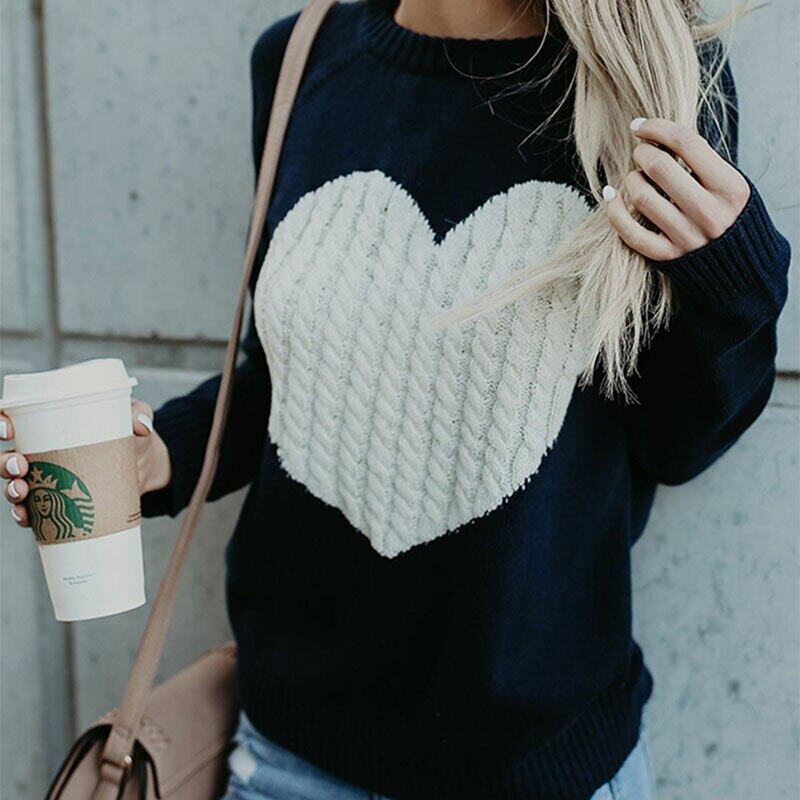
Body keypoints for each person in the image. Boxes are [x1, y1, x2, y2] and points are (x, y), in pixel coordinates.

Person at [2, 1, 790, 798]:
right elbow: (294, 379)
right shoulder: (301, 59)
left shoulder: (651, 80)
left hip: (539, 772)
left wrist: (735, 284)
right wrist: (156, 455)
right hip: (288, 762)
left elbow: (677, 444)